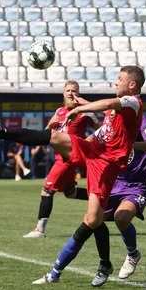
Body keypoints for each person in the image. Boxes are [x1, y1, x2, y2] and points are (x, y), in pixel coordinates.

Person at [0, 66, 145, 286]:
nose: (116, 83)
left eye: (119, 79)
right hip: (92, 150)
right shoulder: (118, 107)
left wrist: (79, 110)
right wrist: (81, 103)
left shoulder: (134, 103)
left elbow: (107, 104)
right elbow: (101, 112)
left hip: (106, 165)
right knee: (53, 136)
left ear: (132, 85)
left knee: (93, 220)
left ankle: (99, 264)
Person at [54, 115, 146, 281]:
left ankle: (132, 254)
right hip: (112, 182)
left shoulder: (142, 121)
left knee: (121, 218)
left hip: (136, 185)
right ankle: (56, 273)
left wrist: (127, 144)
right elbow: (88, 142)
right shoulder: (110, 124)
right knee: (91, 222)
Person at [24, 80, 100, 238]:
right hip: (59, 156)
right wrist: (49, 126)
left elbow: (103, 130)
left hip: (68, 158)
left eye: (75, 91)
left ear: (79, 94)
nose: (71, 93)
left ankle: (40, 230)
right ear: (63, 94)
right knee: (69, 193)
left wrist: (90, 140)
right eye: (68, 91)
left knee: (46, 191)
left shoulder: (85, 112)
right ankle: (106, 198)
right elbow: (45, 135)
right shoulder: (59, 111)